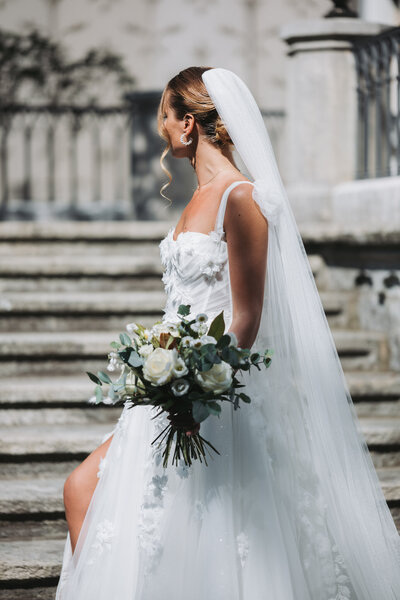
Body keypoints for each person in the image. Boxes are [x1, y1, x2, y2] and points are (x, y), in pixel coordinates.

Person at [55, 67, 400, 599]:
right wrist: (156, 363)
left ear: (188, 124)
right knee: (82, 489)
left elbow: (245, 318)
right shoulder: (196, 196)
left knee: (188, 528)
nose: (161, 128)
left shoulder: (241, 198)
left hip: (210, 390)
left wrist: (194, 392)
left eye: (165, 117)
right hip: (165, 384)